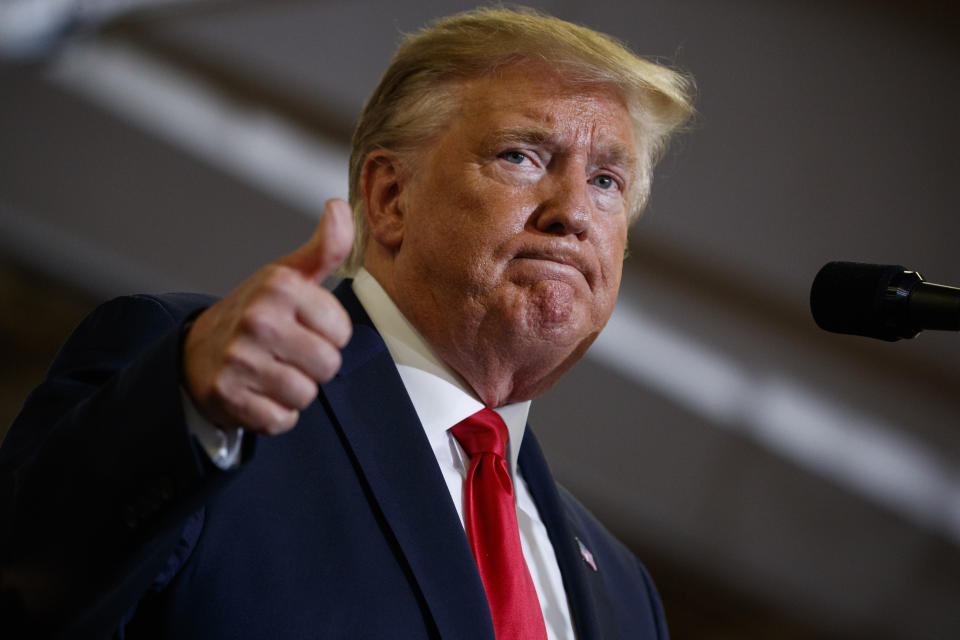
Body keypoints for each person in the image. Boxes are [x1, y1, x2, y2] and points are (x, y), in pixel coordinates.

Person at [0, 7, 693, 639]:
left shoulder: (627, 595)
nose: (573, 211)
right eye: (521, 155)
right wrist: (181, 410)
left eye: (607, 181)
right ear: (390, 197)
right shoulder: (201, 387)